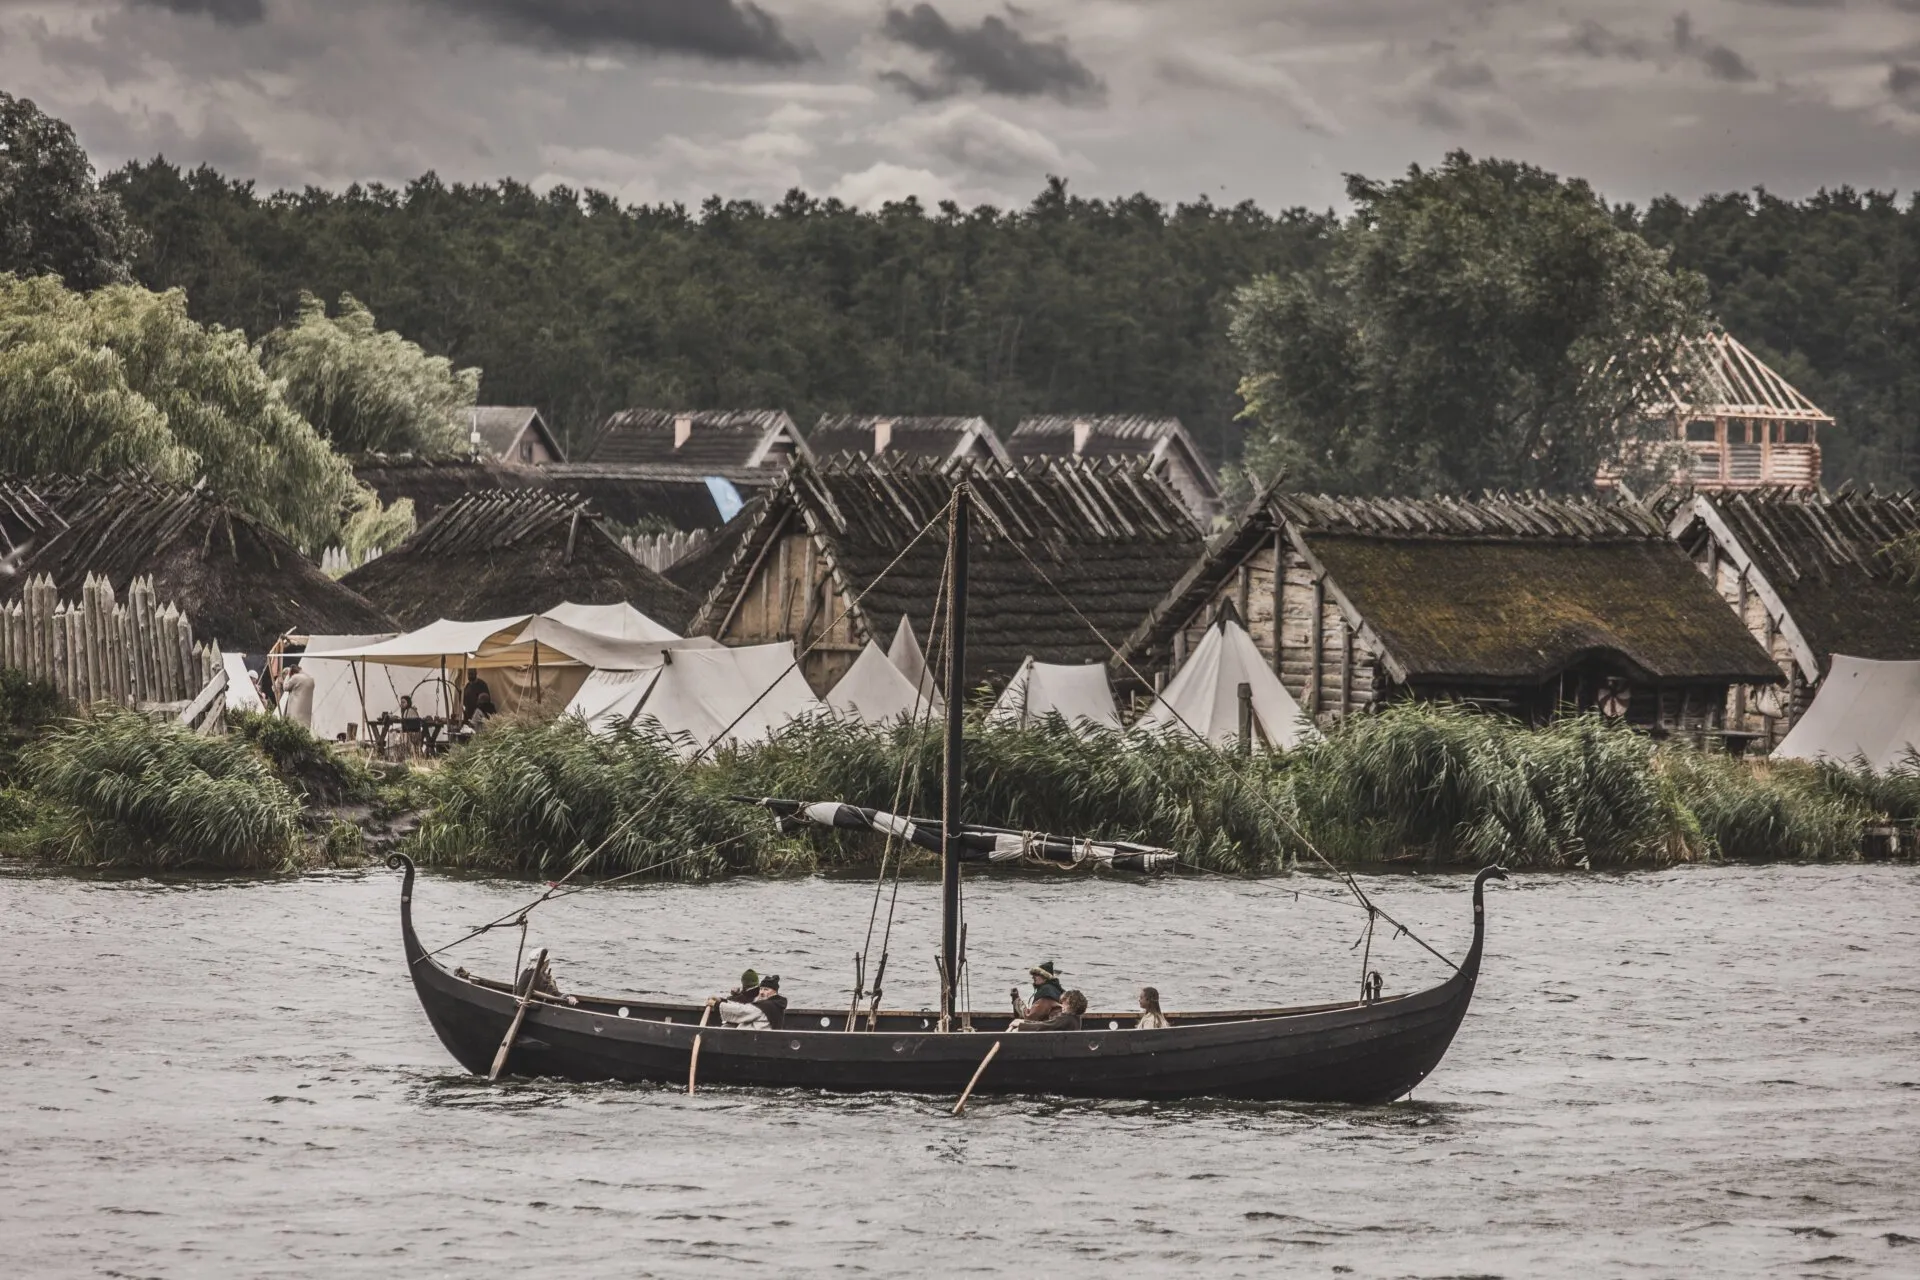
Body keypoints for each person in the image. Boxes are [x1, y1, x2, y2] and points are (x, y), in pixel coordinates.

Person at [715, 972, 787, 1030]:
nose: (762, 992)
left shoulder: (766, 1006)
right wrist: (723, 1001)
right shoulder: (776, 1004)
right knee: (729, 1026)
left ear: (775, 992)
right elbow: (746, 1006)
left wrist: (718, 1004)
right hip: (762, 1036)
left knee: (727, 1027)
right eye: (761, 989)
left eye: (766, 989)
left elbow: (742, 1011)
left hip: (756, 1039)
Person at [1010, 990, 1086, 1032]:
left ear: (1071, 1005)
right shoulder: (1076, 1017)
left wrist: (1021, 1025)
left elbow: (1043, 1026)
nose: (1062, 1006)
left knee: (1015, 1031)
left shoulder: (1065, 1018)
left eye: (1065, 1003)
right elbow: (1047, 1024)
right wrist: (1025, 1022)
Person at [279, 661, 316, 729]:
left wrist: (287, 675)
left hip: (295, 714)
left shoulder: (295, 677)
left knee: (293, 729)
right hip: (306, 716)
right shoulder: (311, 679)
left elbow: (285, 687)